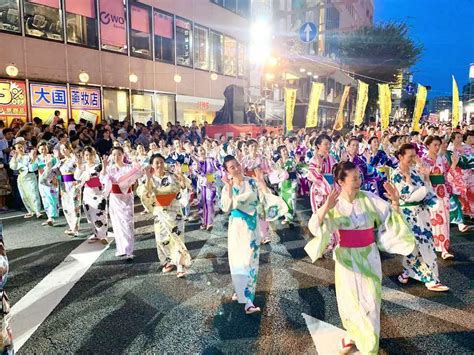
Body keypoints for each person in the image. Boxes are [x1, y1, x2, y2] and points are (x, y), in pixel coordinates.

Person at [305, 161, 415, 354]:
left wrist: (396, 202)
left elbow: (389, 216)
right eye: (354, 178)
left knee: (371, 300)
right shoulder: (334, 203)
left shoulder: (369, 198)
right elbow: (315, 227)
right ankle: (352, 334)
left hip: (368, 256)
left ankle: (369, 346)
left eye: (359, 177)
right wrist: (325, 208)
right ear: (340, 181)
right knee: (349, 301)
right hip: (345, 258)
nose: (359, 181)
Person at [221, 155, 287, 315]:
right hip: (236, 226)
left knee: (250, 260)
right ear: (226, 171)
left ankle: (248, 301)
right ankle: (240, 289)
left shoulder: (251, 182)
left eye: (237, 164)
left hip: (251, 226)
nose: (236, 168)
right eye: (232, 167)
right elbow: (226, 207)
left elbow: (263, 197)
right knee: (238, 260)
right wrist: (229, 189)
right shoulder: (227, 187)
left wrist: (262, 183)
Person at [392, 144, 449, 291]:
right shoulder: (395, 174)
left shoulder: (415, 171)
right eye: (410, 156)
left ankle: (408, 271)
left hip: (422, 213)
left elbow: (426, 188)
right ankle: (431, 279)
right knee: (414, 245)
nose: (413, 159)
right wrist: (409, 182)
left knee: (426, 243)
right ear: (400, 157)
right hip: (408, 215)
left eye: (414, 156)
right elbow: (405, 195)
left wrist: (425, 177)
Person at [138, 154, 191, 278]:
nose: (160, 165)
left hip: (174, 211)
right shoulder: (149, 178)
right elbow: (145, 193)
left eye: (161, 162)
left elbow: (184, 186)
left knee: (177, 238)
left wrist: (181, 175)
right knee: (162, 239)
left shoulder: (171, 175)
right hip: (160, 212)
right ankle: (168, 261)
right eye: (156, 162)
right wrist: (148, 178)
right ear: (152, 165)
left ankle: (180, 266)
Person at [101, 146, 143, 261]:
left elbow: (139, 173)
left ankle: (129, 250)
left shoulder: (129, 167)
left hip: (127, 198)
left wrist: (136, 165)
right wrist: (104, 167)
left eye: (119, 154)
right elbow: (102, 180)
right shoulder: (110, 169)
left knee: (127, 223)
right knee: (117, 224)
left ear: (123, 155)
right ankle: (121, 249)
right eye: (114, 154)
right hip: (114, 198)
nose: (116, 157)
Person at [422, 136, 456, 259]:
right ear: (428, 145)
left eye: (438, 145)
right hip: (431, 192)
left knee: (445, 220)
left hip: (443, 192)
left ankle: (444, 248)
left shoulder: (442, 159)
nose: (437, 147)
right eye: (434, 145)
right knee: (431, 220)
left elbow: (448, 174)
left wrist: (454, 164)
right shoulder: (424, 160)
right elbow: (422, 178)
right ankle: (432, 244)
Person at [75, 146, 109, 244]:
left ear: (94, 155)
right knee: (89, 214)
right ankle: (96, 234)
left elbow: (104, 175)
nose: (88, 157)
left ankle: (103, 235)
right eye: (86, 155)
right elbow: (77, 176)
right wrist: (78, 166)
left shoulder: (99, 165)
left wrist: (104, 166)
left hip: (98, 192)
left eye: (90, 155)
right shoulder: (83, 166)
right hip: (87, 192)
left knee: (100, 214)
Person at [9, 138, 42, 219]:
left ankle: (38, 211)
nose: (21, 148)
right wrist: (15, 158)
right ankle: (30, 211)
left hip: (30, 177)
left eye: (22, 146)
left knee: (34, 194)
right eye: (18, 147)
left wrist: (33, 158)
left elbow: (33, 167)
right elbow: (13, 167)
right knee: (24, 195)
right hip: (21, 178)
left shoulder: (28, 155)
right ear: (15, 149)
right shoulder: (14, 158)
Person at [30, 141, 60, 226]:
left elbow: (57, 167)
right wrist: (32, 158)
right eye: (42, 149)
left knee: (53, 198)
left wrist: (56, 178)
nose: (44, 150)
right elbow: (32, 168)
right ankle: (49, 217)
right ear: (39, 150)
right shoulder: (37, 158)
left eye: (45, 148)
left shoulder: (52, 157)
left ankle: (52, 217)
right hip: (42, 181)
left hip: (51, 180)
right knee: (45, 199)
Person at [308, 134, 337, 213]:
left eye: (329, 144)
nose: (328, 146)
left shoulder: (332, 158)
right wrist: (319, 166)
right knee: (321, 214)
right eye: (326, 144)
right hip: (319, 189)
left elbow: (337, 172)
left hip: (332, 187)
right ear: (318, 145)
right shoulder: (313, 160)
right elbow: (312, 176)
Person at [57, 143, 81, 236]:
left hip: (73, 183)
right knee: (66, 206)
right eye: (61, 149)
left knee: (74, 206)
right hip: (64, 184)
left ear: (69, 149)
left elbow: (79, 168)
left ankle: (75, 227)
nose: (63, 151)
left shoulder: (74, 159)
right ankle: (71, 226)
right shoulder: (61, 161)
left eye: (65, 149)